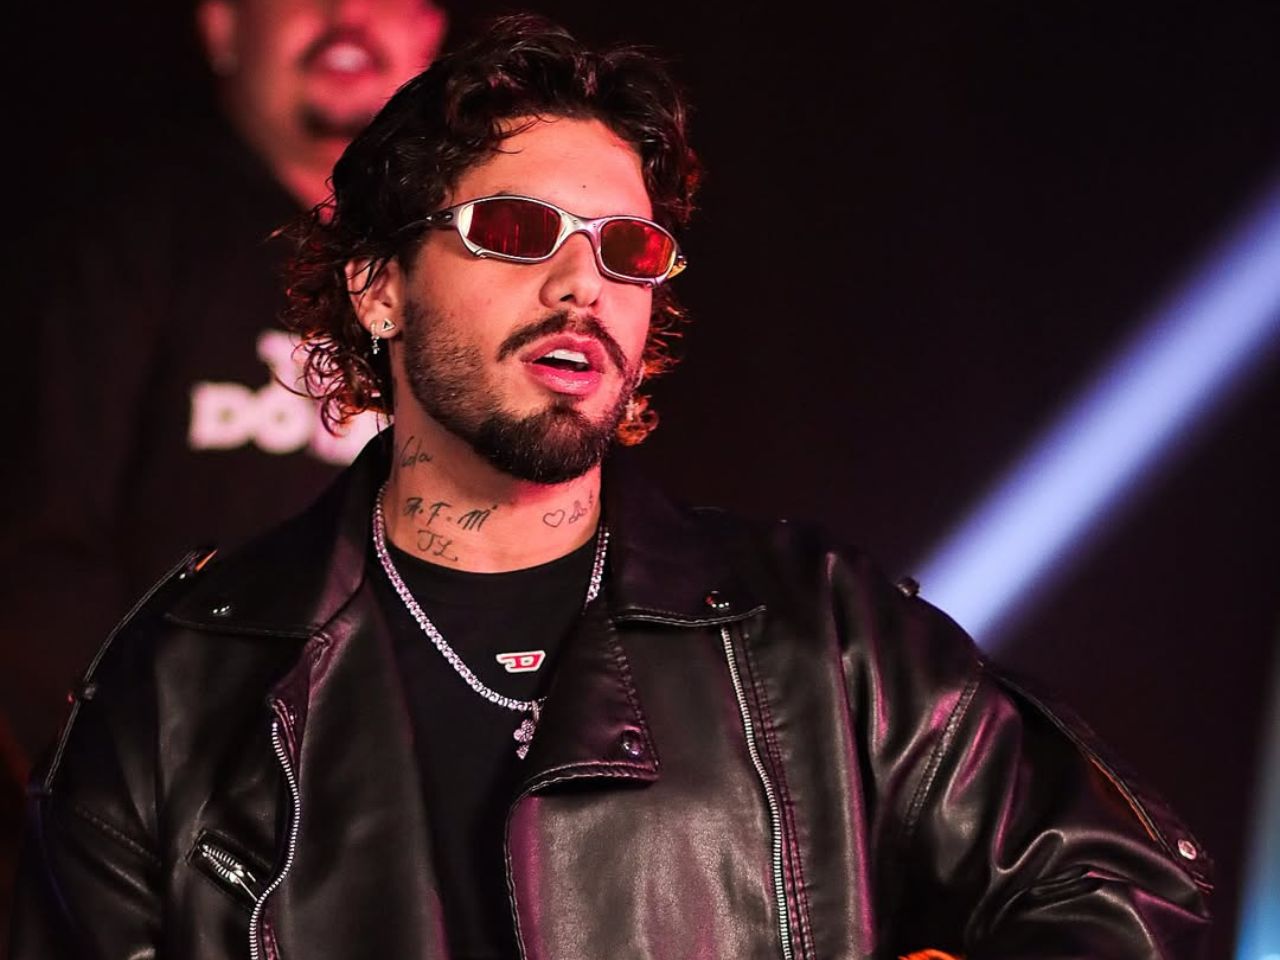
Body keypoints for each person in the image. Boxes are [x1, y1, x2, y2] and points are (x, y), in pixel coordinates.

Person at [9, 16, 1213, 959]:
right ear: (378, 288)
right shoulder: (184, 677)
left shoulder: (816, 631)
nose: (581, 284)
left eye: (626, 249)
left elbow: (1124, 890)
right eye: (516, 229)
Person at [0, 0, 448, 764]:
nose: (347, 15)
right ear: (222, 26)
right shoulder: (114, 241)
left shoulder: (476, 262)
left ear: (429, 33)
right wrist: (121, 777)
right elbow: (39, 556)